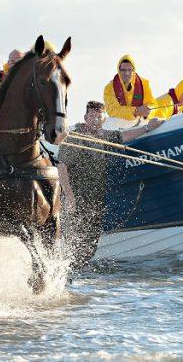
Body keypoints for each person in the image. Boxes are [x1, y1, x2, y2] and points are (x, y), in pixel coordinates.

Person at [58, 101, 163, 268]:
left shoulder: (103, 135)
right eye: (92, 115)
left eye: (98, 116)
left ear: (104, 119)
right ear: (85, 117)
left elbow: (123, 137)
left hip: (94, 201)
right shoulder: (75, 137)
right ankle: (63, 273)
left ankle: (77, 275)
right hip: (75, 200)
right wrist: (69, 195)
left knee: (89, 245)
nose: (95, 119)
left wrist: (147, 127)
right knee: (71, 241)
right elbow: (62, 167)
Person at [103, 54, 157, 121]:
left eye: (130, 70)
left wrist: (149, 111)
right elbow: (112, 110)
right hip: (118, 124)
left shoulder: (144, 84)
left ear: (134, 70)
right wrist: (135, 111)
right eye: (123, 70)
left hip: (140, 123)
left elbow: (152, 105)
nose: (127, 73)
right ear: (118, 70)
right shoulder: (109, 88)